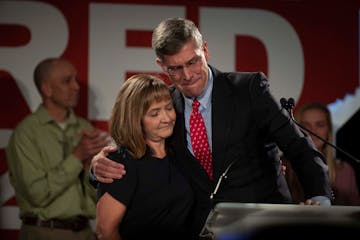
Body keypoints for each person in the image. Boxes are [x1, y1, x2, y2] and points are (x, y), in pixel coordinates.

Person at [90, 18, 332, 236]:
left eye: (193, 62)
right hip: (201, 229)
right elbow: (134, 148)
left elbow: (297, 145)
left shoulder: (248, 89)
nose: (187, 75)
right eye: (175, 68)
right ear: (161, 65)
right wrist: (98, 165)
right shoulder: (166, 106)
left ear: (205, 50)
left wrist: (319, 198)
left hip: (261, 223)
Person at [5, 57, 111, 240]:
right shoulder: (26, 134)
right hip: (44, 233)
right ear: (46, 89)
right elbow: (36, 194)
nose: (76, 87)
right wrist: (77, 157)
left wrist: (90, 169)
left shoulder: (83, 128)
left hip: (85, 232)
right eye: (66, 81)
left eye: (75, 79)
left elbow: (97, 196)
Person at [95, 74, 194, 240]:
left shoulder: (179, 154)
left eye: (169, 108)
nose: (167, 118)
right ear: (135, 119)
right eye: (154, 113)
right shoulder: (122, 161)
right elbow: (105, 231)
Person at [284, 102, 360, 205]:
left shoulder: (345, 170)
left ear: (328, 129)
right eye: (305, 125)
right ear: (295, 129)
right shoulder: (285, 168)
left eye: (320, 125)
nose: (313, 131)